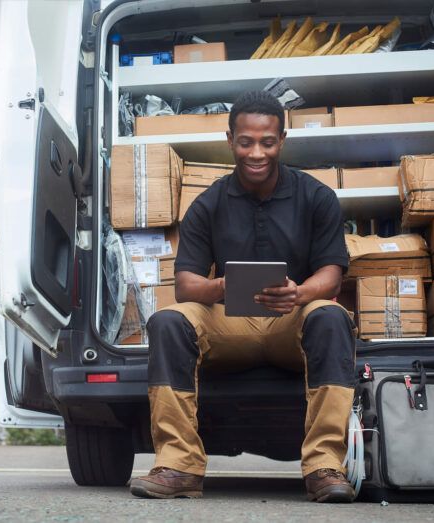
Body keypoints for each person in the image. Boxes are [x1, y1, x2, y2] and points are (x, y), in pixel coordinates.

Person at [129, 90, 357, 503]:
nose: (257, 153)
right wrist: (223, 287)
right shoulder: (208, 203)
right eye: (246, 142)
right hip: (229, 323)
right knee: (168, 320)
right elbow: (186, 284)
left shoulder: (315, 197)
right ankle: (179, 466)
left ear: (281, 140)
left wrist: (300, 292)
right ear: (230, 138)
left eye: (267, 142)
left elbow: (332, 275)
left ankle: (325, 466)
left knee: (331, 315)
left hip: (293, 321)